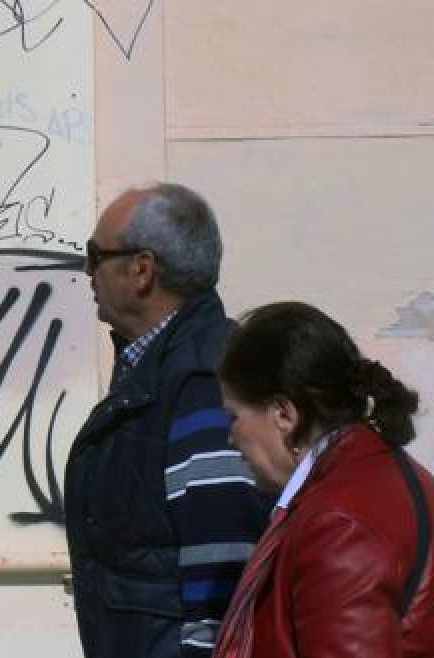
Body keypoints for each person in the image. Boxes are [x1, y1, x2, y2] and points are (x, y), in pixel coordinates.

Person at [66, 183, 269, 658]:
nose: (87, 273)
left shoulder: (203, 380)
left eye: (95, 256)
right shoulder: (157, 368)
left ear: (142, 270)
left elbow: (223, 558)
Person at [214, 301, 434, 657]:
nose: (230, 437)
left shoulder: (340, 521)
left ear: (283, 413)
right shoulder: (366, 478)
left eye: (234, 417)